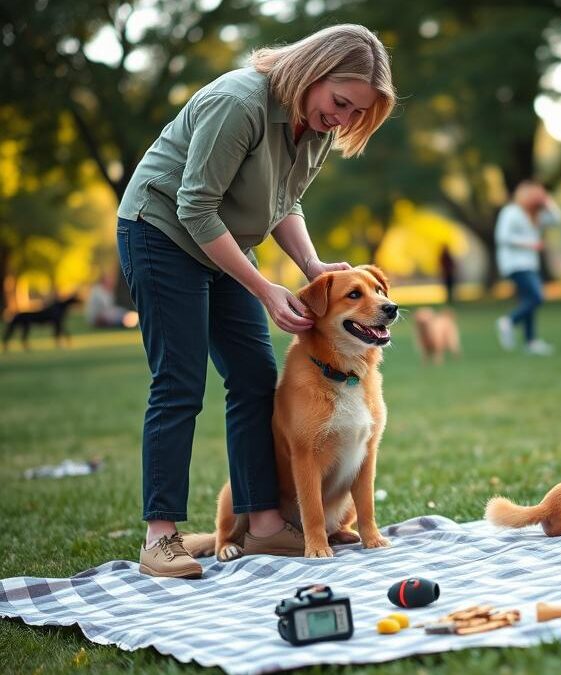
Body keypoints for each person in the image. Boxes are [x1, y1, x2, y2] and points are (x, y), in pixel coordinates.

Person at [115, 24, 395, 578]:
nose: (341, 119)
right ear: (313, 72)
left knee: (252, 378)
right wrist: (264, 287)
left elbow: (282, 203)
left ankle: (265, 525)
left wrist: (311, 267)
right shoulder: (237, 103)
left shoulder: (314, 127)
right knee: (180, 380)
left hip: (225, 241)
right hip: (162, 232)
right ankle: (160, 537)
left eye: (353, 113)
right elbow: (195, 207)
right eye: (339, 102)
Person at [494, 180, 561, 356]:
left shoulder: (536, 215)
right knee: (537, 296)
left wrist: (547, 201)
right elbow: (502, 237)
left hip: (530, 264)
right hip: (514, 263)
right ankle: (509, 320)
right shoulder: (511, 212)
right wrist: (529, 244)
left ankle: (531, 342)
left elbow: (557, 219)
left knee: (528, 300)